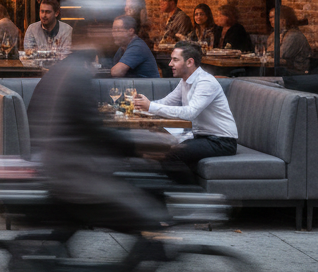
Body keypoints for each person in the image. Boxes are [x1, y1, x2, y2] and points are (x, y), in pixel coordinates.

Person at [28, 34, 167, 233]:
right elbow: (92, 130)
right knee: (142, 216)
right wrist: (137, 147)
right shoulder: (77, 76)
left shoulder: (60, 70)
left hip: (56, 162)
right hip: (72, 173)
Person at [133, 41, 238, 181]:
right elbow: (166, 102)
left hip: (221, 141)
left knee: (173, 155)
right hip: (200, 137)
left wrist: (150, 106)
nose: (170, 64)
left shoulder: (205, 82)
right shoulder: (185, 81)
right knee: (155, 147)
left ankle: (192, 195)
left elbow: (190, 113)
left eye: (175, 60)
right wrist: (143, 105)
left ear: (189, 62)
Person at [268, 5, 311, 75]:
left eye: (273, 17)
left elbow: (279, 55)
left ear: (283, 20)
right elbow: (267, 52)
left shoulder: (293, 35)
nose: (270, 20)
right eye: (270, 17)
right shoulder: (275, 34)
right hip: (284, 72)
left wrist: (273, 47)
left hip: (296, 75)